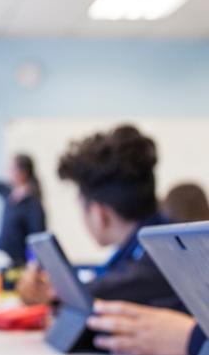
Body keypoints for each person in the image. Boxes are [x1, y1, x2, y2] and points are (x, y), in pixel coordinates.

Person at [17, 125, 184, 311]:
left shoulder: (155, 263)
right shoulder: (157, 243)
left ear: (98, 213)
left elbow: (108, 288)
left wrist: (54, 293)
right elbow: (106, 275)